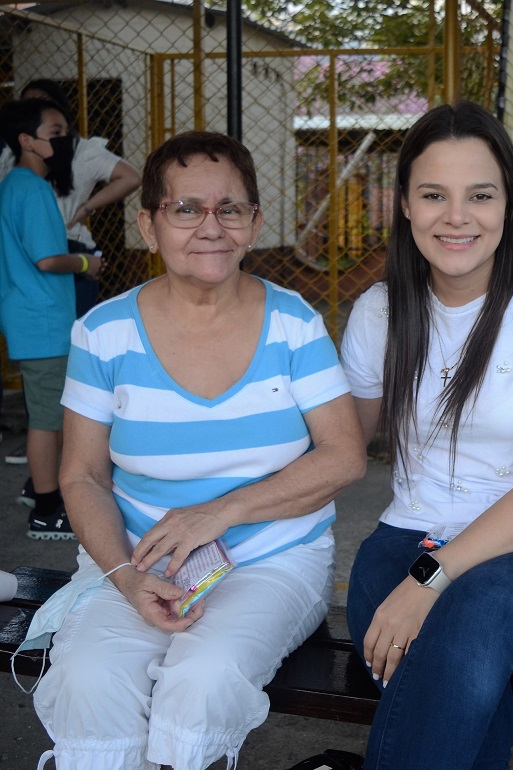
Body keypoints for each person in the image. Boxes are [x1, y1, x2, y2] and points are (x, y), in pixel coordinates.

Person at [21, 130, 366, 770]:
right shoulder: (102, 332)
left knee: (203, 676)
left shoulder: (293, 322)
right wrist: (126, 577)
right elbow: (84, 475)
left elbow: (344, 455)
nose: (210, 226)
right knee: (91, 678)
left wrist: (222, 513)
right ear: (149, 226)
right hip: (134, 558)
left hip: (272, 558)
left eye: (229, 209)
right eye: (186, 209)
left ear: (254, 223)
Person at [339, 100, 513, 769]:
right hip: (405, 541)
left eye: (479, 195)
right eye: (434, 194)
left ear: (509, 205)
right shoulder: (380, 311)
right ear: (404, 203)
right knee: (461, 672)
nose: (456, 217)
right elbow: (338, 450)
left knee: (474, 613)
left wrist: (429, 579)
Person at [0, 98, 105, 540]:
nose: (65, 141)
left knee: (46, 411)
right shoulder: (33, 188)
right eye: (56, 132)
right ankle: (46, 508)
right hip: (42, 320)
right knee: (47, 417)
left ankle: (36, 488)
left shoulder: (14, 184)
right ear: (27, 141)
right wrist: (86, 266)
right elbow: (46, 260)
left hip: (30, 316)